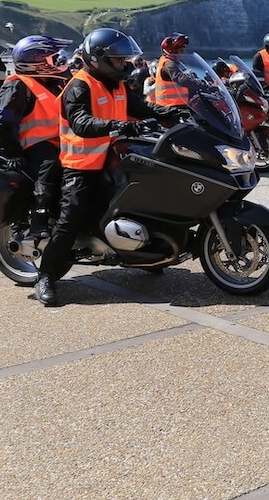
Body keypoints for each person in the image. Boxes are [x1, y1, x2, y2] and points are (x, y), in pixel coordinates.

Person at [33, 29, 183, 307]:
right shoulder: (79, 86)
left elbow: (142, 107)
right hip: (81, 165)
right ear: (98, 60)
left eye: (126, 59)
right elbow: (81, 122)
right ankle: (46, 277)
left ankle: (145, 254)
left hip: (114, 158)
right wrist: (119, 125)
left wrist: (174, 112)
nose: (124, 64)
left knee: (147, 195)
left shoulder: (118, 85)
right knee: (71, 218)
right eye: (118, 59)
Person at [0, 36, 72, 238]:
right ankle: (39, 219)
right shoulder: (18, 86)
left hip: (59, 140)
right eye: (51, 58)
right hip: (33, 144)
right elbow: (4, 122)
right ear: (35, 62)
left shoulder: (53, 82)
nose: (58, 61)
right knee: (50, 166)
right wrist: (12, 152)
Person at [153, 32, 190, 107]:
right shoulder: (168, 64)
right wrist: (201, 84)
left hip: (176, 106)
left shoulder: (172, 63)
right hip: (170, 108)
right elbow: (181, 79)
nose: (183, 54)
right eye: (181, 51)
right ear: (173, 52)